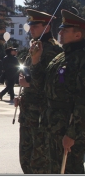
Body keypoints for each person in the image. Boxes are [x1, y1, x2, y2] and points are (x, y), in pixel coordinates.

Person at [29, 9, 85, 174]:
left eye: (65, 30)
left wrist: (72, 134)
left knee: (69, 170)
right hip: (52, 126)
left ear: (77, 35)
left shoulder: (81, 59)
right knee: (53, 169)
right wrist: (35, 59)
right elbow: (41, 85)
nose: (59, 32)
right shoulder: (61, 57)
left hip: (68, 128)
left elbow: (83, 100)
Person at [15, 9, 63, 174]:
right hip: (28, 113)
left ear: (47, 28)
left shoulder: (54, 52)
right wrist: (22, 95)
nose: (32, 29)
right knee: (25, 159)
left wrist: (28, 84)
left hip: (42, 116)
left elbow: (53, 84)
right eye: (31, 25)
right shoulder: (36, 47)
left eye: (36, 25)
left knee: (39, 163)